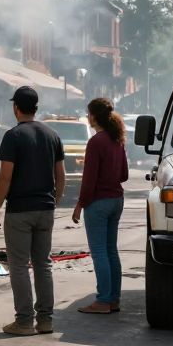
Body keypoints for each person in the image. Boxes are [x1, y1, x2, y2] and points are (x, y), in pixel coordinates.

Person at [0, 86, 65, 336]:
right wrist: (55, 200)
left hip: (20, 211)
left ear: (16, 108)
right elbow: (60, 175)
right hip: (45, 209)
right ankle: (45, 321)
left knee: (20, 266)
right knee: (43, 265)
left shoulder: (12, 136)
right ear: (36, 107)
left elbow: (5, 177)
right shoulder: (52, 135)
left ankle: (23, 322)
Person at [73, 97, 129, 314]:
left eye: (88, 114)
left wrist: (80, 204)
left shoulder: (96, 142)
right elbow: (124, 175)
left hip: (99, 202)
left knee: (99, 252)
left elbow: (89, 179)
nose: (88, 117)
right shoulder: (117, 139)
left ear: (94, 116)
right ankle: (113, 299)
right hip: (117, 199)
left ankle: (103, 300)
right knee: (110, 250)